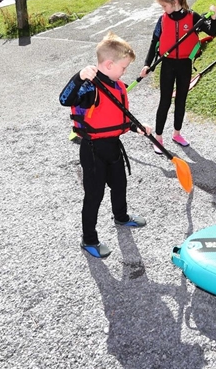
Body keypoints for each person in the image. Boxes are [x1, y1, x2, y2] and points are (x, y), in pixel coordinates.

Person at [59, 33, 150, 259]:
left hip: (113, 146)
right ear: (109, 64)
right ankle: (89, 239)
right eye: (123, 67)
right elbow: (64, 99)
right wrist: (78, 77)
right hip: (92, 150)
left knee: (120, 185)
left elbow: (117, 115)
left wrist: (136, 127)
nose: (125, 72)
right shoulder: (89, 88)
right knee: (94, 195)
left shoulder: (116, 85)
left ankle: (121, 217)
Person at [139, 0, 216, 152]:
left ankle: (177, 134)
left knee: (181, 100)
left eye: (164, 5)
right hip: (167, 65)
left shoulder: (193, 17)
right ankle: (158, 138)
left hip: (184, 65)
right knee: (165, 101)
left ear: (175, 2)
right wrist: (147, 64)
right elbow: (154, 42)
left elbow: (212, 31)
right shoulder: (162, 20)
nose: (163, 9)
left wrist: (214, 16)